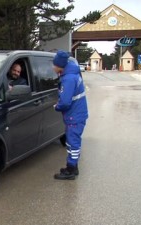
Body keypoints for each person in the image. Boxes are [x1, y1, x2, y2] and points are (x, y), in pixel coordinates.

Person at [52, 50, 88, 180]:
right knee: (72, 142)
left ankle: (71, 170)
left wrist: (57, 106)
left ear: (59, 65)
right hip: (76, 114)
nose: (52, 67)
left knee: (73, 143)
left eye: (54, 64)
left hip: (74, 116)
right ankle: (73, 167)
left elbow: (65, 102)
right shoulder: (70, 74)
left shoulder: (68, 79)